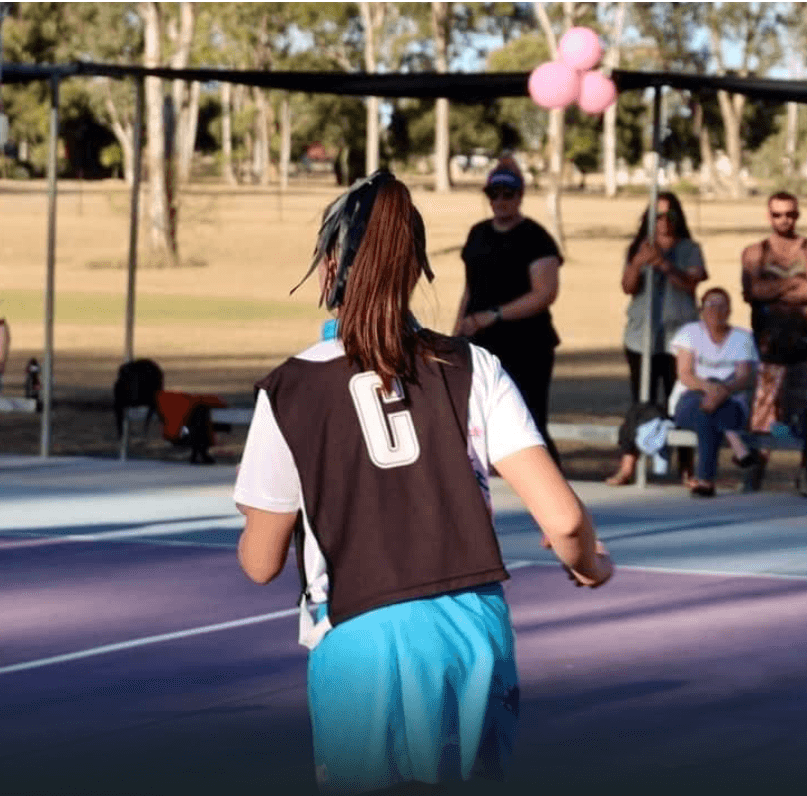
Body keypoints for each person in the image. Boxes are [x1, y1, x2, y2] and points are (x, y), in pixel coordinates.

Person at [234, 170, 613, 796]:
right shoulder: (472, 365)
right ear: (415, 270)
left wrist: (261, 523)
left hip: (359, 638)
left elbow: (260, 561)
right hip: (473, 636)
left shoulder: (292, 387)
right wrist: (590, 565)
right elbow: (566, 521)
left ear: (331, 267)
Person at [454, 158, 564, 460]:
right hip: (480, 344)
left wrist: (494, 315)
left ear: (520, 196)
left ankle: (550, 492)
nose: (500, 201)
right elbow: (469, 289)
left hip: (528, 346)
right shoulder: (477, 234)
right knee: (475, 419)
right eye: (494, 194)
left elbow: (545, 293)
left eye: (508, 194)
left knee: (529, 422)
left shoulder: (536, 238)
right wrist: (457, 334)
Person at [606, 191, 706, 486]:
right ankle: (630, 465)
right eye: (657, 216)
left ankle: (687, 467)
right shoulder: (637, 247)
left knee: (681, 403)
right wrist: (639, 262)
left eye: (669, 215)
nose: (663, 221)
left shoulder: (690, 249)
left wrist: (662, 264)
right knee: (642, 402)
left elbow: (691, 283)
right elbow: (627, 286)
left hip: (679, 338)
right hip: (642, 338)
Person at [741, 191, 807, 496]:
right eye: (777, 214)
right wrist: (793, 284)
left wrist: (773, 291)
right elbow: (752, 290)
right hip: (767, 351)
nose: (784, 220)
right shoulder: (754, 252)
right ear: (769, 216)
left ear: (798, 215)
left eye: (790, 214)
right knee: (763, 418)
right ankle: (753, 480)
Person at [670, 287, 761, 498]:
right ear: (702, 309)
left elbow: (745, 377)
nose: (716, 310)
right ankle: (736, 443)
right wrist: (712, 389)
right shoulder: (689, 333)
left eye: (722, 305)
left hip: (730, 402)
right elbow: (686, 375)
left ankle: (705, 482)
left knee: (707, 418)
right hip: (690, 398)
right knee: (705, 409)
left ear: (729, 310)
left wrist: (723, 390)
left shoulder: (742, 338)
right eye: (711, 305)